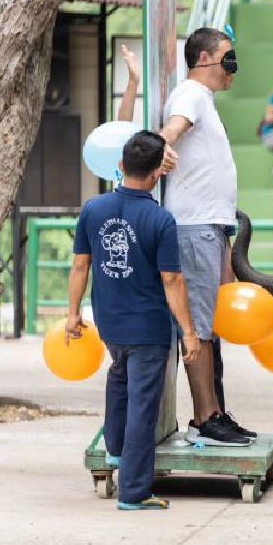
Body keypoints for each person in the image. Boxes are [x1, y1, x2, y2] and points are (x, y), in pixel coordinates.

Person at [67, 131, 202, 511]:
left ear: (121, 166)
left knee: (120, 376)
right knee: (143, 403)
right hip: (148, 326)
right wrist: (189, 332)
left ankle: (116, 451)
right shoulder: (160, 219)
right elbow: (172, 280)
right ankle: (134, 491)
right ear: (159, 171)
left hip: (110, 321)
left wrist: (72, 312)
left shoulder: (93, 208)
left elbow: (80, 264)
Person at [160, 27, 253, 447]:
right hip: (193, 226)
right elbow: (173, 129)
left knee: (210, 324)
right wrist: (162, 145)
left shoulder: (208, 102)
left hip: (212, 227)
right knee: (197, 325)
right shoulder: (191, 95)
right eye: (227, 58)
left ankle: (215, 410)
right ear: (203, 60)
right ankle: (204, 416)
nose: (233, 67)